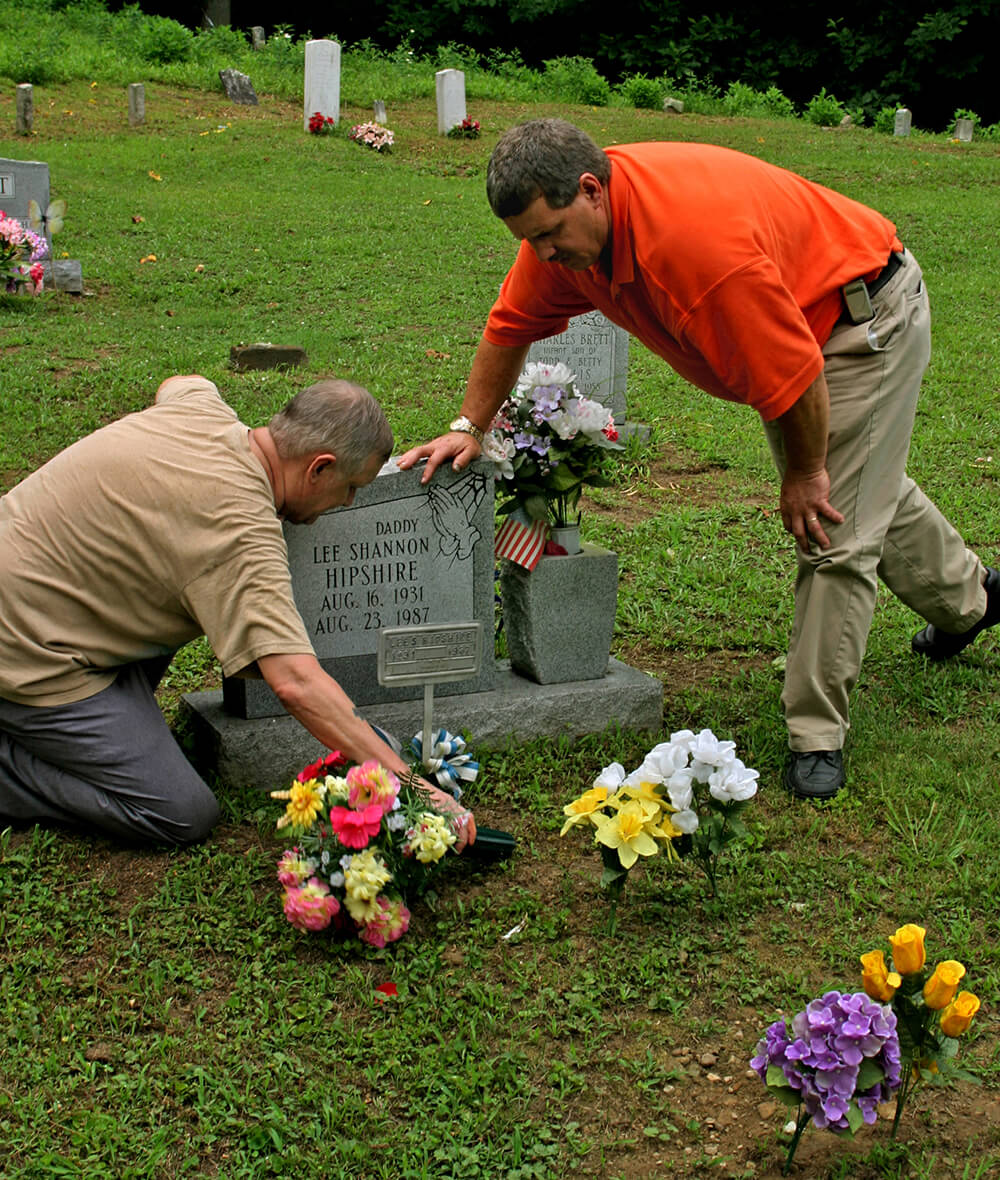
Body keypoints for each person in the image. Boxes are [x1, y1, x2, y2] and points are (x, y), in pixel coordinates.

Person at [398, 117, 997, 801]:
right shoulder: (571, 242)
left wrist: (804, 475)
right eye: (528, 240)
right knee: (861, 486)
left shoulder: (694, 249)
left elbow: (796, 374)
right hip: (800, 322)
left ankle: (816, 733)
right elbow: (509, 326)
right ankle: (972, 600)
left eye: (549, 233)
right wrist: (472, 424)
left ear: (592, 190)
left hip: (861, 320)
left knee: (830, 524)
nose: (541, 252)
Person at [0, 374, 476, 847]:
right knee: (181, 811)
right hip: (29, 654)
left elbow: (181, 381)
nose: (350, 502)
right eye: (350, 486)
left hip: (40, 592)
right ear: (318, 468)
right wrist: (414, 789)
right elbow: (294, 682)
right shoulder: (242, 532)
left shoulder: (203, 411)